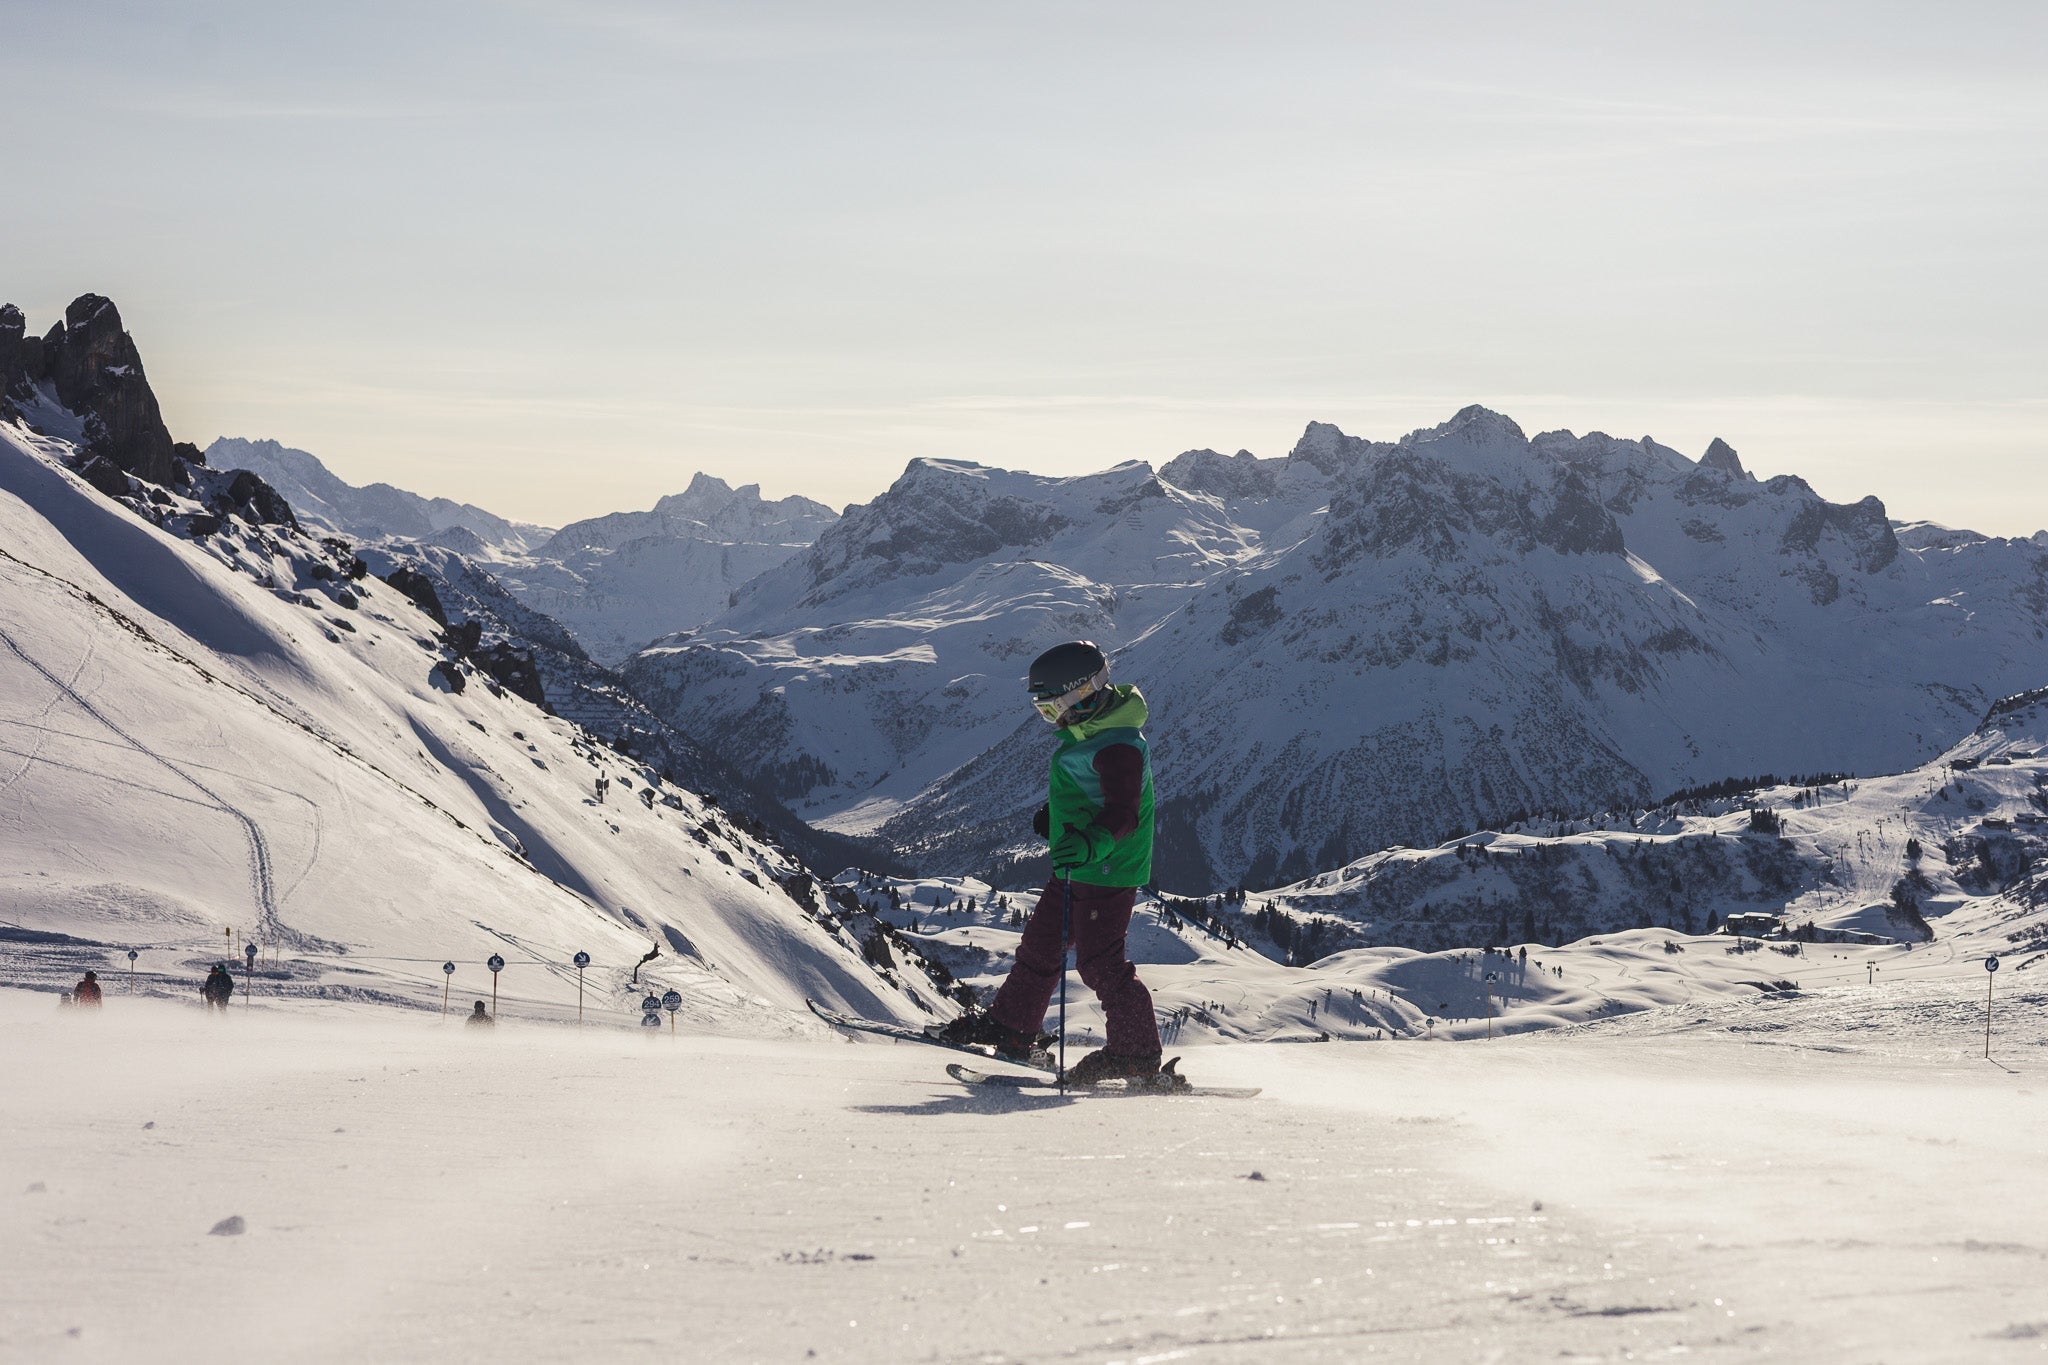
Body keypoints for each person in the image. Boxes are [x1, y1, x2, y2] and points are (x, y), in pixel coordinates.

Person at [934, 640, 1163, 1085]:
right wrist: (1058, 818)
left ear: (1085, 695)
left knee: (1100, 963)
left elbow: (1123, 813)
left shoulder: (1118, 746)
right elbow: (1088, 792)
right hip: (1076, 864)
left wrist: (1090, 843)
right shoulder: (1092, 734)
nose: (1052, 719)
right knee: (1041, 947)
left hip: (1106, 869)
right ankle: (1013, 1028)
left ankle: (1135, 1055)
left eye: (1054, 708)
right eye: (1044, 711)